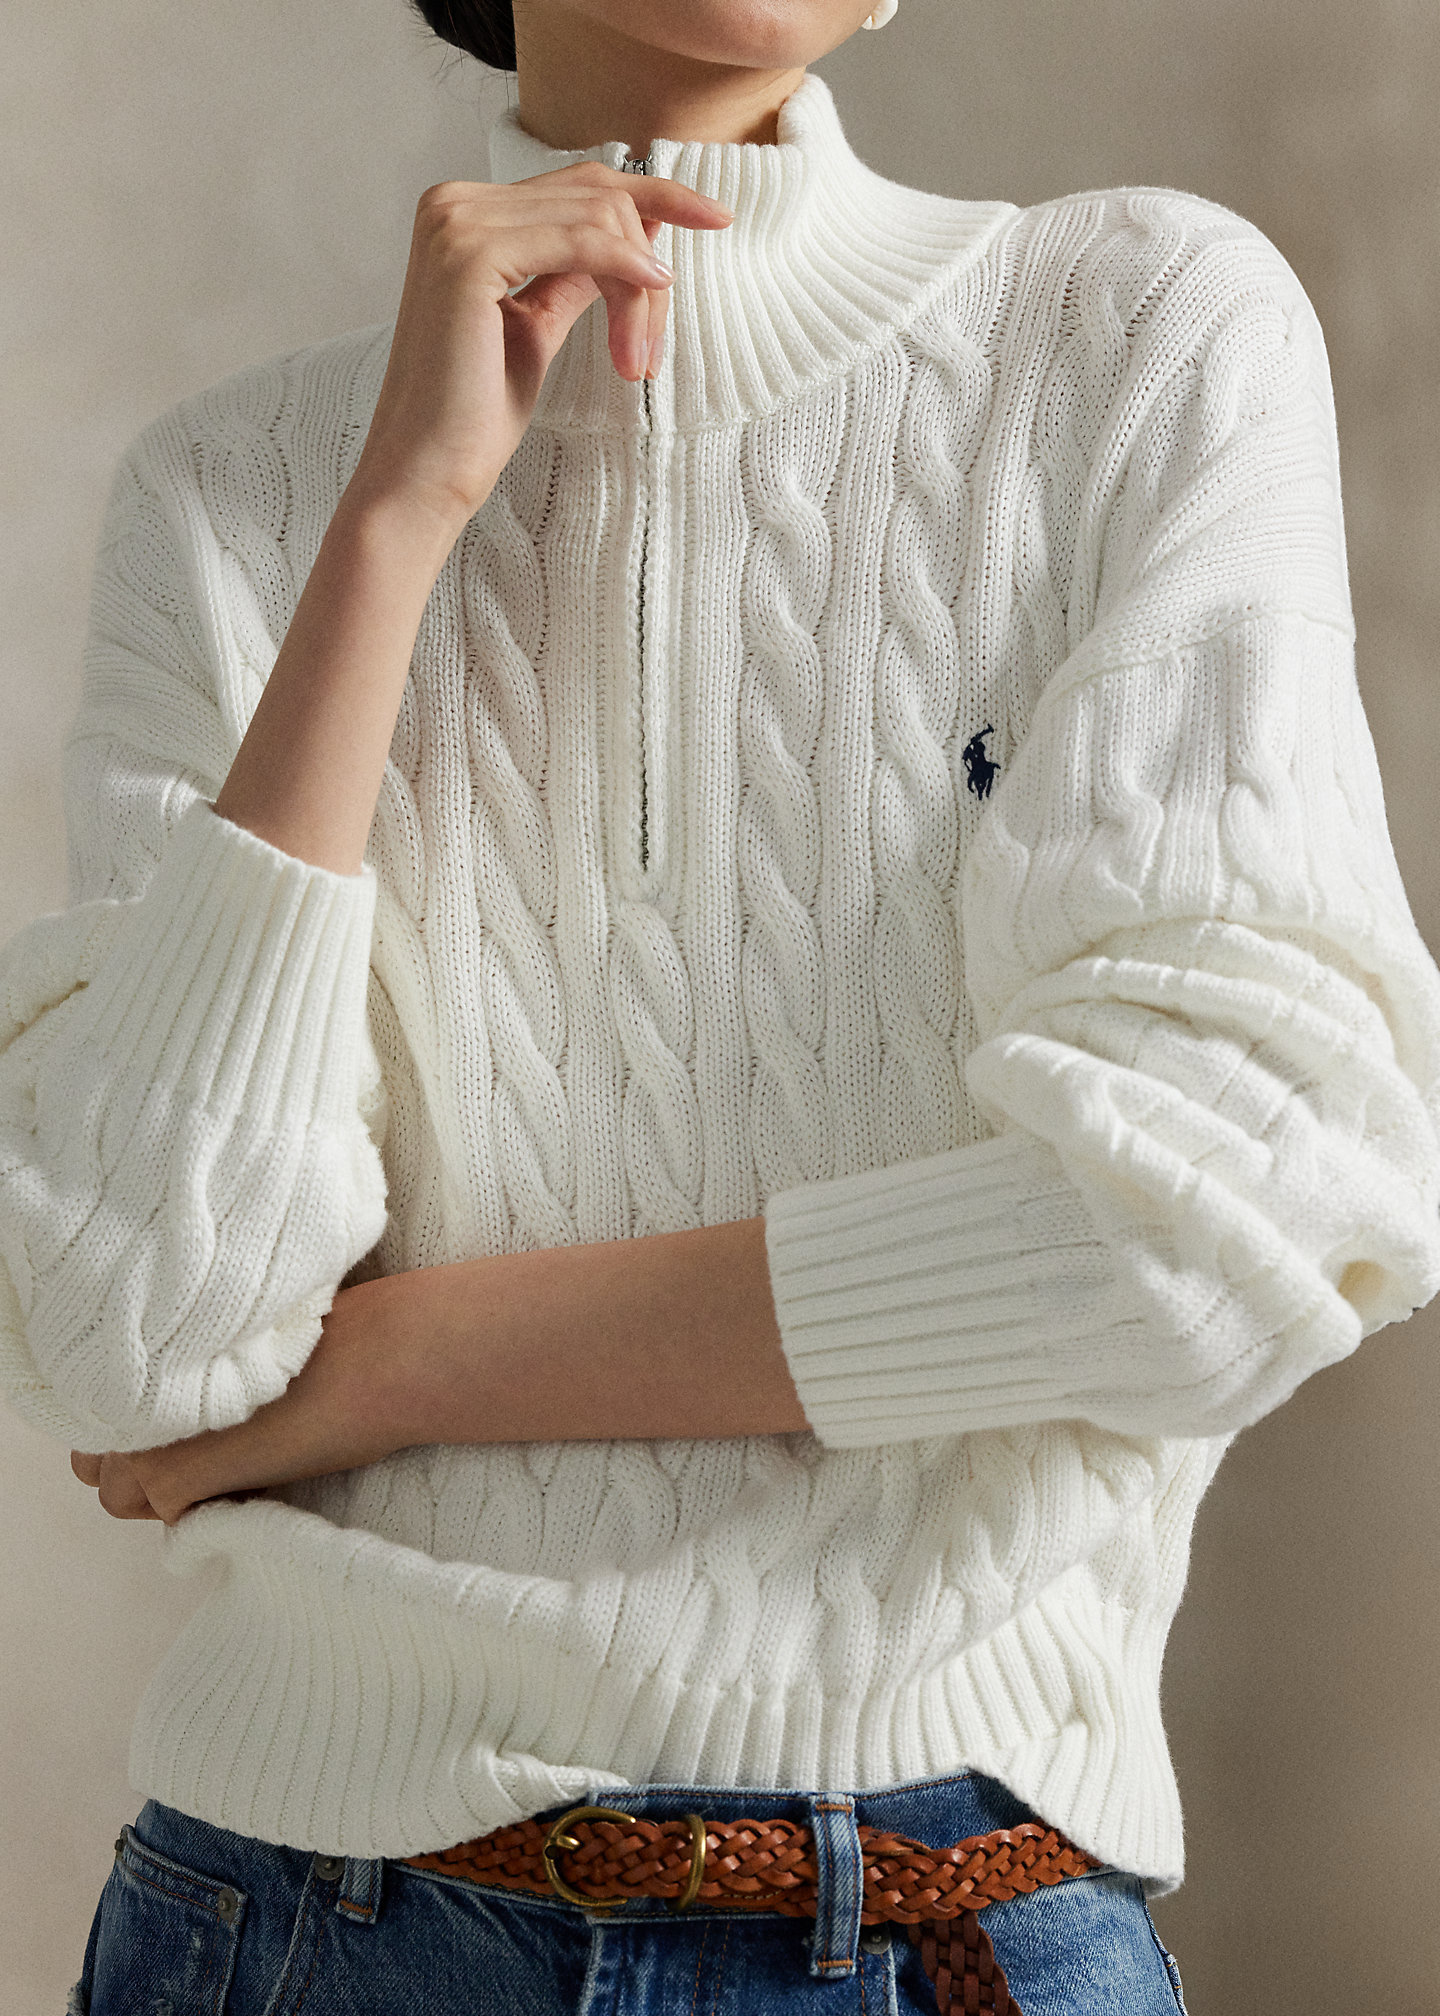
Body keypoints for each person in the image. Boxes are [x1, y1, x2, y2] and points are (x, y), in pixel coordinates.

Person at [4, 0, 1438, 2008]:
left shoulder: (1134, 331)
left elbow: (1225, 1217)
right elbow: (134, 1341)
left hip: (938, 1916)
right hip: (300, 1921)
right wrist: (393, 524)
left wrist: (373, 1377)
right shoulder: (233, 499)